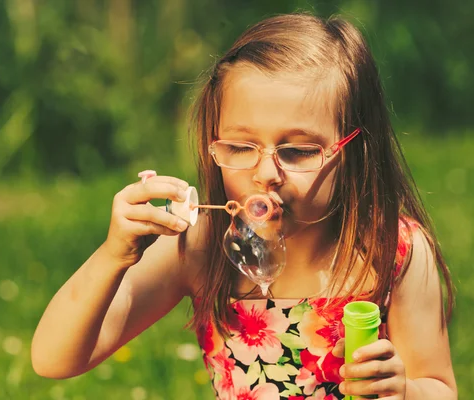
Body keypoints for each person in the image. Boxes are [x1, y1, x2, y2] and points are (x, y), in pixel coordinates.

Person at [31, 13, 457, 399]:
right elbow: (54, 359)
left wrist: (404, 391)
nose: (266, 173)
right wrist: (113, 256)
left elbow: (439, 386)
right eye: (238, 146)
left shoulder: (390, 250)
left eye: (298, 151)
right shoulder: (200, 245)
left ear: (355, 150)